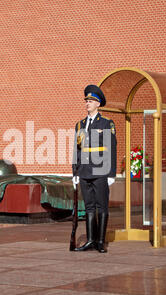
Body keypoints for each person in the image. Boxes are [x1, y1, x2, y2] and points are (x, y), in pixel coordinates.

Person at [72, 84, 117, 253]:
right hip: (84, 171)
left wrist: (111, 173)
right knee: (89, 206)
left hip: (100, 171)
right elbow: (77, 149)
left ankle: (100, 242)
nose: (87, 103)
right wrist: (75, 172)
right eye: (86, 100)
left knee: (102, 206)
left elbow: (111, 148)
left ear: (98, 104)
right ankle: (90, 240)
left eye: (91, 100)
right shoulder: (80, 125)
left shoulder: (106, 123)